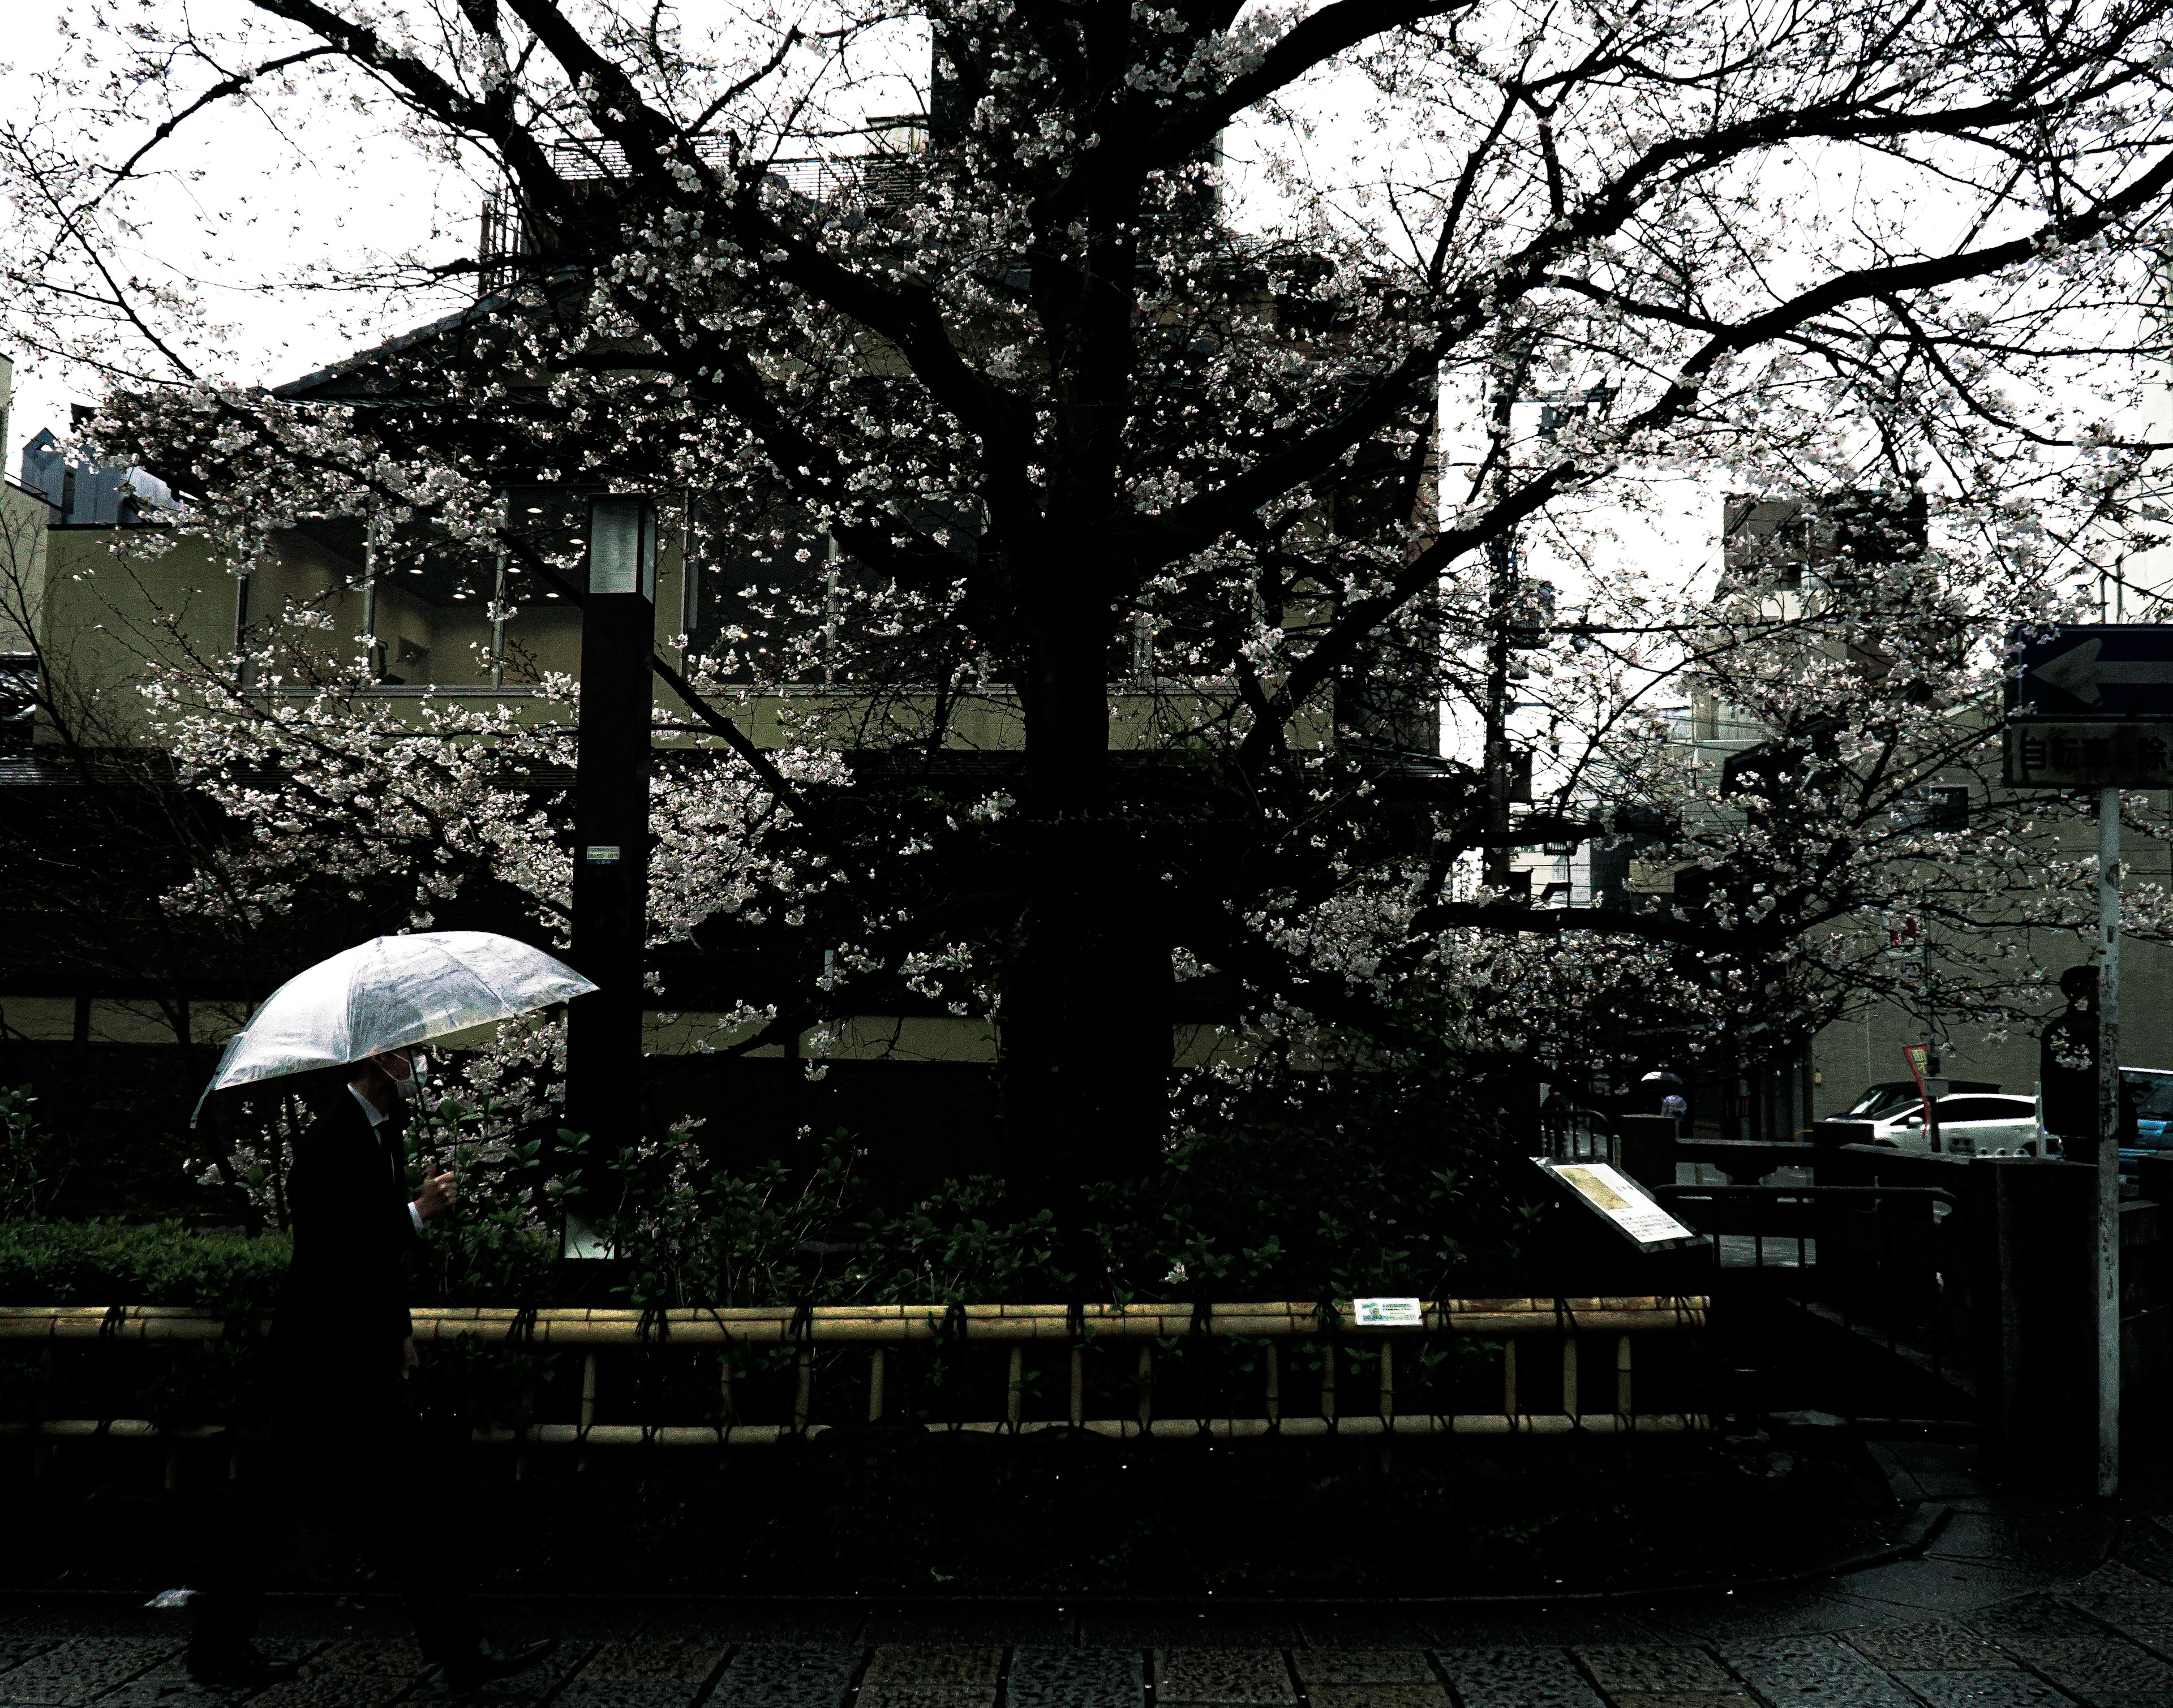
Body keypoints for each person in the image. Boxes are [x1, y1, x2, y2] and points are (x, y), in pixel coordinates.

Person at [188, 1047, 555, 1689]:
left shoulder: (388, 1129)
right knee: (308, 1504)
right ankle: (457, 1648)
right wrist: (417, 1213)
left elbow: (374, 1261)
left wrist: (400, 1328)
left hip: (354, 1355)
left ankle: (456, 1648)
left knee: (370, 1499)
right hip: (321, 1359)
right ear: (380, 1060)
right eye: (408, 1054)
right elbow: (328, 1247)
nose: (419, 1062)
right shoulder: (329, 1140)